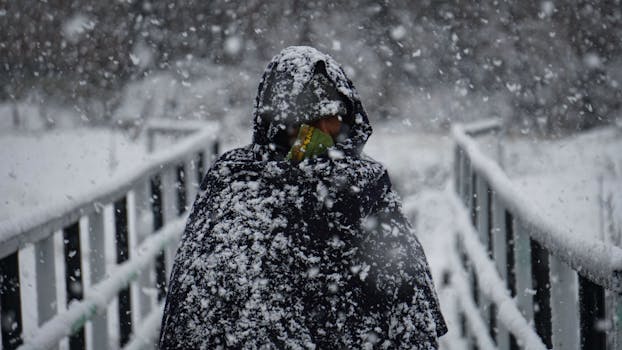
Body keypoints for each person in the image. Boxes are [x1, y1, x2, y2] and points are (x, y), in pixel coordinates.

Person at [158, 46, 447, 349]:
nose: (322, 131)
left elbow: (409, 306)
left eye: (333, 117)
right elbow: (211, 305)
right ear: (279, 124)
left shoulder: (369, 189)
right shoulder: (236, 182)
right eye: (307, 119)